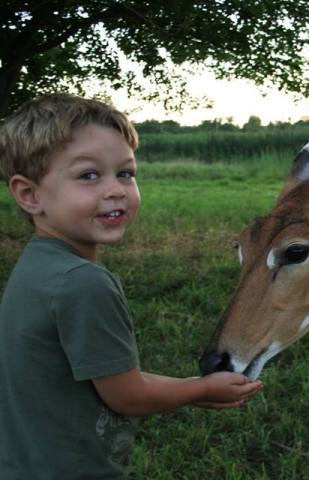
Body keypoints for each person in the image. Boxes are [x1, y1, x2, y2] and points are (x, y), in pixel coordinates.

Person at [0, 93, 262, 479]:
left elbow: (117, 377)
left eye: (125, 173)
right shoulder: (84, 284)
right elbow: (129, 396)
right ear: (29, 195)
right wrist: (200, 390)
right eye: (89, 175)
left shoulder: (36, 266)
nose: (116, 189)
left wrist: (191, 383)